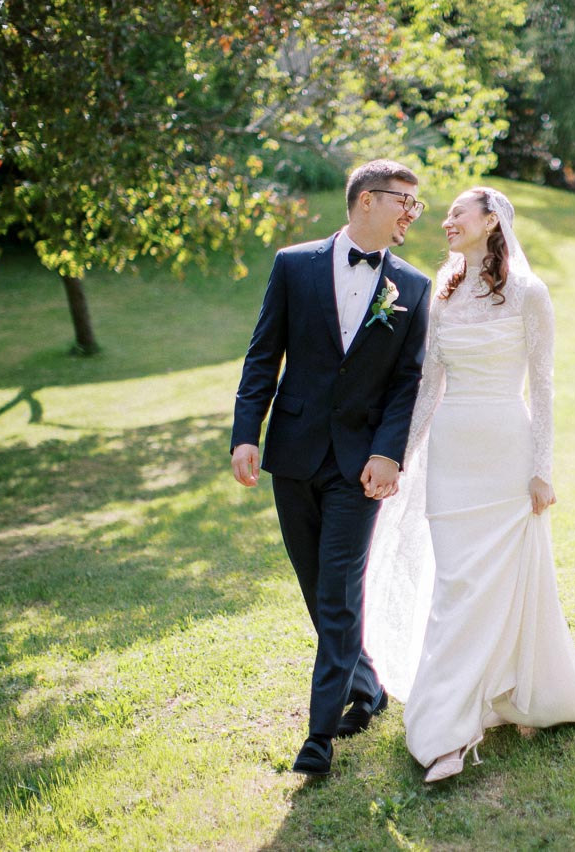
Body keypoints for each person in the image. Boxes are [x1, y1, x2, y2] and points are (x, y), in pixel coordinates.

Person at [367, 186, 575, 784]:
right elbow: (429, 386)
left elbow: (544, 385)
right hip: (454, 454)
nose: (446, 221)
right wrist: (400, 459)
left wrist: (542, 468)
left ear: (491, 221)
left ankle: (458, 727)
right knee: (457, 587)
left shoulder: (530, 294)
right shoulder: (444, 291)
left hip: (507, 455)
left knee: (500, 587)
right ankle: (448, 725)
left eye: (457, 212)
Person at [230, 159, 432, 776]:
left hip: (360, 468)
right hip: (293, 453)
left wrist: (387, 451)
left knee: (339, 590)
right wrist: (246, 434)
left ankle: (319, 735)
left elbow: (407, 382)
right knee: (316, 585)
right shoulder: (295, 265)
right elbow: (264, 353)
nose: (412, 214)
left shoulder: (414, 287)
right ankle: (368, 688)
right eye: (405, 201)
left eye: (417, 206)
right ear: (368, 200)